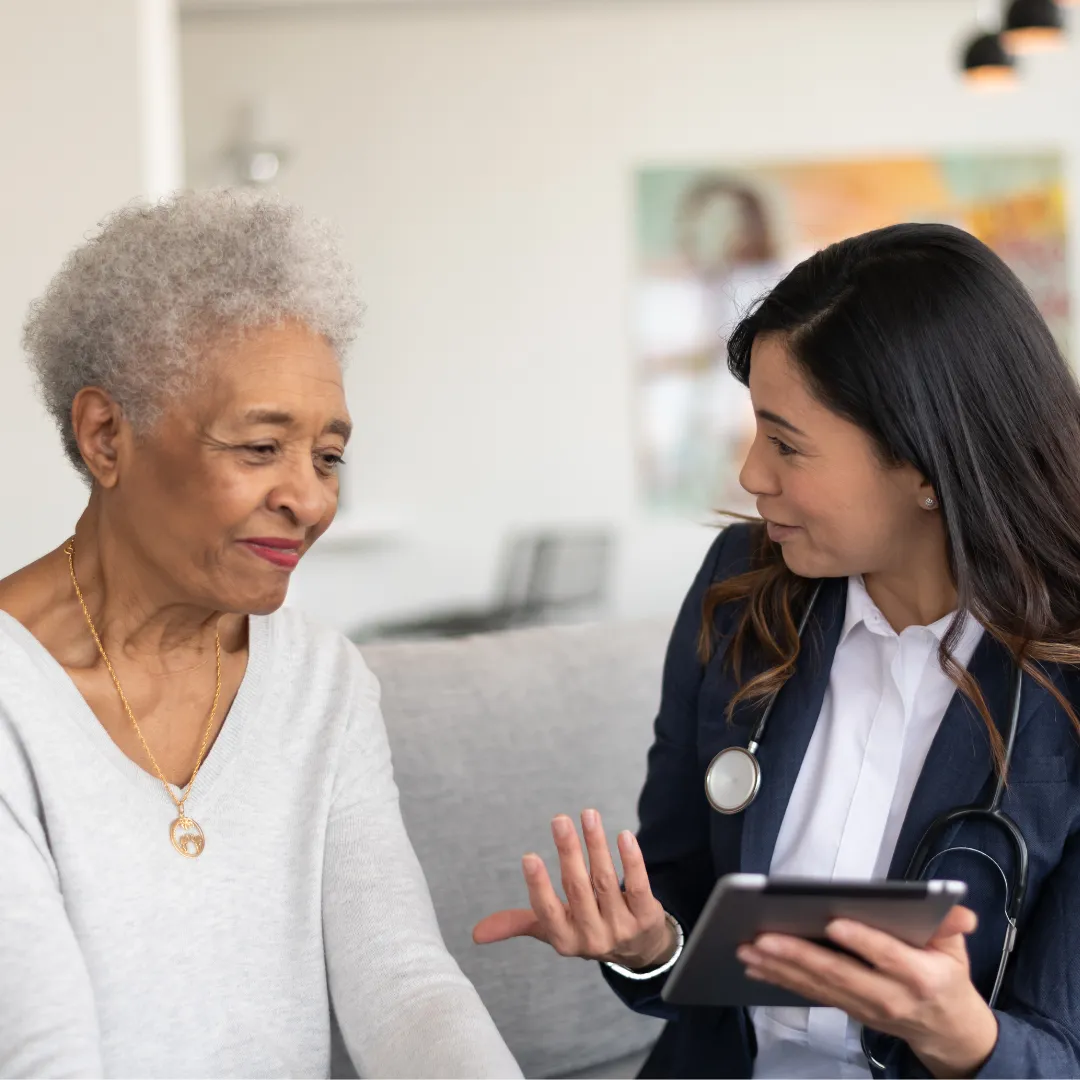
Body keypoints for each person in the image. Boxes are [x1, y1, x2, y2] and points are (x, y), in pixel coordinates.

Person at [475, 223, 1080, 1078]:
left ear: (927, 469)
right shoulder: (740, 592)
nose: (753, 474)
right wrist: (649, 942)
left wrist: (959, 1035)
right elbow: (685, 902)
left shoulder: (1065, 678)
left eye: (787, 443)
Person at [0, 190, 521, 1079]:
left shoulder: (322, 680)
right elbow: (43, 1054)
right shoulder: (15, 701)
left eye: (327, 456)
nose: (311, 500)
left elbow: (402, 986)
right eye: (257, 448)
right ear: (105, 435)